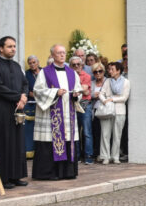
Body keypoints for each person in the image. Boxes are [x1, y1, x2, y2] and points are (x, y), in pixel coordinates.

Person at [0, 36, 29, 188]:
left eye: (14, 46)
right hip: (1, 110)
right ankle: (2, 178)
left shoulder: (16, 66)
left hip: (17, 109)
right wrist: (18, 96)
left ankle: (15, 175)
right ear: (1, 48)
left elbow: (25, 83)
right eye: (9, 46)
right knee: (2, 142)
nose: (13, 49)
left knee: (17, 142)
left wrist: (23, 97)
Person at [32, 44, 82, 181]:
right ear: (53, 55)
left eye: (64, 53)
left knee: (66, 140)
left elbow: (78, 90)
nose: (62, 55)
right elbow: (37, 91)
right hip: (51, 115)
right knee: (49, 143)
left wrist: (77, 95)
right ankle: (49, 173)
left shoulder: (72, 73)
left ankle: (67, 172)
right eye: (59, 53)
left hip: (67, 113)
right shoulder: (45, 72)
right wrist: (55, 92)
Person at [69, 56, 94, 162]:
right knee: (75, 132)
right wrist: (81, 90)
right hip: (73, 103)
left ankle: (88, 156)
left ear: (82, 65)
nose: (76, 66)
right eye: (73, 65)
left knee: (87, 132)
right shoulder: (68, 76)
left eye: (78, 64)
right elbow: (81, 90)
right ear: (70, 66)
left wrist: (78, 89)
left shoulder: (86, 76)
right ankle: (77, 156)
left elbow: (84, 89)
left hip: (85, 104)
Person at [23, 55, 40, 159]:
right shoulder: (26, 74)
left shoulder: (44, 72)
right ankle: (30, 152)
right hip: (31, 104)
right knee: (30, 130)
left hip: (44, 103)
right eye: (30, 63)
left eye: (34, 62)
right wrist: (31, 93)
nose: (32, 64)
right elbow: (24, 88)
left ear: (38, 62)